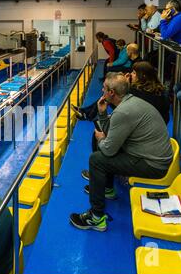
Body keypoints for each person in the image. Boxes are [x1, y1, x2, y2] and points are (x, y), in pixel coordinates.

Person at [70, 73, 173, 232]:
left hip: (154, 164)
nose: (102, 91)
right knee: (99, 136)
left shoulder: (123, 112)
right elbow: (109, 132)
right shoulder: (130, 102)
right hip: (148, 153)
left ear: (111, 93)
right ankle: (107, 189)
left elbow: (109, 150)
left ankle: (96, 218)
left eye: (104, 88)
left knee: (96, 160)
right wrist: (102, 114)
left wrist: (101, 140)